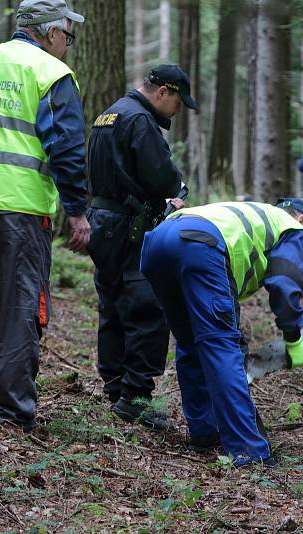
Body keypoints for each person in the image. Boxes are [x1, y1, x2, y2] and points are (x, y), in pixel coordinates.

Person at [0, 0, 89, 431]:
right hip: (20, 207)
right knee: (20, 307)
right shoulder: (51, 74)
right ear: (51, 32)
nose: (67, 45)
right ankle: (13, 412)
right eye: (67, 36)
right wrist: (77, 211)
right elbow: (68, 150)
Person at [140, 198, 303, 465]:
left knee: (190, 342)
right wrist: (293, 338)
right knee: (221, 346)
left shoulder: (252, 213)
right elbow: (284, 283)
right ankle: (249, 450)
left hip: (157, 243)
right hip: (200, 246)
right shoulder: (292, 228)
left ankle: (205, 432)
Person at [86, 64, 197, 430]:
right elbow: (160, 175)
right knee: (145, 306)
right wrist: (174, 194)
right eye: (179, 100)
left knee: (113, 303)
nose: (179, 110)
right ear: (163, 91)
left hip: (102, 222)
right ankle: (135, 398)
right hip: (130, 226)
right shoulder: (139, 121)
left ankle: (116, 387)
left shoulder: (109, 113)